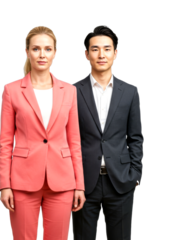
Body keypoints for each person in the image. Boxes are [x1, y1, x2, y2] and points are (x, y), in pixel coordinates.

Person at [0, 24, 86, 240]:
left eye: (47, 49)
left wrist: (79, 185)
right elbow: (5, 141)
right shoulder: (11, 89)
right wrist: (4, 185)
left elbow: (74, 140)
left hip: (62, 181)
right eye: (36, 49)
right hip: (22, 180)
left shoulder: (69, 90)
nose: (42, 54)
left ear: (55, 52)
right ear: (26, 51)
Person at [71, 23, 143, 240]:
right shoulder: (72, 91)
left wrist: (136, 176)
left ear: (116, 53)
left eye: (107, 48)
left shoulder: (130, 91)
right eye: (95, 49)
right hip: (84, 184)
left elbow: (136, 137)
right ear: (86, 54)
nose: (101, 54)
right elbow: (68, 138)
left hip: (121, 182)